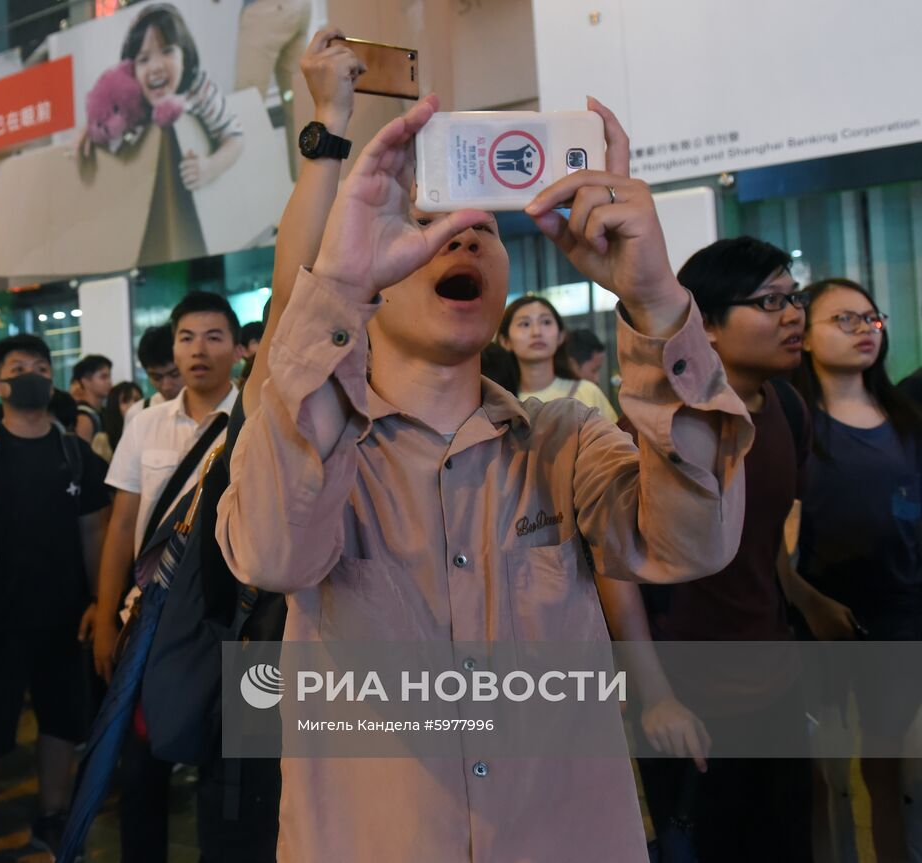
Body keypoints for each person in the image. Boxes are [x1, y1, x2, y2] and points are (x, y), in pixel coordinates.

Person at [216, 90, 759, 861]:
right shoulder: (315, 441)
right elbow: (272, 556)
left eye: (485, 228)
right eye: (428, 223)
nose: (461, 237)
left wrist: (654, 300)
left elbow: (692, 545)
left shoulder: (565, 439)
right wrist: (336, 285)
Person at [622, 237, 858, 862]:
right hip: (689, 698)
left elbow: (761, 539)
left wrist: (806, 600)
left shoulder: (785, 407)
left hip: (775, 680)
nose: (793, 315)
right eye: (769, 301)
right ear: (710, 329)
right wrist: (656, 697)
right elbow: (615, 570)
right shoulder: (661, 429)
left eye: (794, 298)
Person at [0, 334, 110, 861]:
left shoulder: (76, 453)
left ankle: (53, 818)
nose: (33, 374)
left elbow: (94, 537)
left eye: (41, 365)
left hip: (63, 617)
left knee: (62, 723)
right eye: (19, 367)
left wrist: (97, 602)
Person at [92, 291, 243, 862]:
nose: (198, 350)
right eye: (186, 338)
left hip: (239, 621)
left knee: (232, 771)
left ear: (237, 349)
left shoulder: (258, 421)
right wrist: (107, 620)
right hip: (151, 619)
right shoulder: (145, 424)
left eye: (213, 337)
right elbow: (122, 524)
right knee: (141, 768)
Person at [792, 277, 922, 862]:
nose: (864, 330)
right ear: (807, 338)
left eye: (871, 318)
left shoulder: (906, 417)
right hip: (817, 620)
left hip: (899, 614)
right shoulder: (793, 423)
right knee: (821, 773)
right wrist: (808, 601)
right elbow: (775, 535)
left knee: (891, 771)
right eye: (843, 320)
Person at [81, 3, 244, 192]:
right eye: (143, 59)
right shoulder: (136, 101)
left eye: (167, 51)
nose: (156, 67)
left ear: (185, 54)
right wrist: (91, 131)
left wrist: (210, 168)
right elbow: (109, 125)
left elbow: (235, 137)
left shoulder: (198, 89)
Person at [499, 295, 618, 419]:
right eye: (525, 324)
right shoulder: (497, 402)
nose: (537, 332)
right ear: (505, 341)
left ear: (561, 336)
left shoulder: (587, 391)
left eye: (546, 322)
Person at [235, 0, 312, 179]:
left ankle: (254, 191)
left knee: (246, 106)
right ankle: (309, 194)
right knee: (299, 108)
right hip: (299, 7)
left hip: (267, 9)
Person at [126, 325, 184, 425]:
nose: (166, 386)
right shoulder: (138, 413)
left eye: (175, 374)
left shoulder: (210, 408)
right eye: (156, 377)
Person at [72, 353, 114, 442]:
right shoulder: (83, 417)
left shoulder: (102, 411)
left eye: (109, 376)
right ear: (85, 381)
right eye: (103, 377)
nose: (110, 382)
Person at [97, 381, 144, 462]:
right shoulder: (103, 440)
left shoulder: (148, 435)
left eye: (137, 400)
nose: (133, 405)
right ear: (114, 406)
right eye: (125, 401)